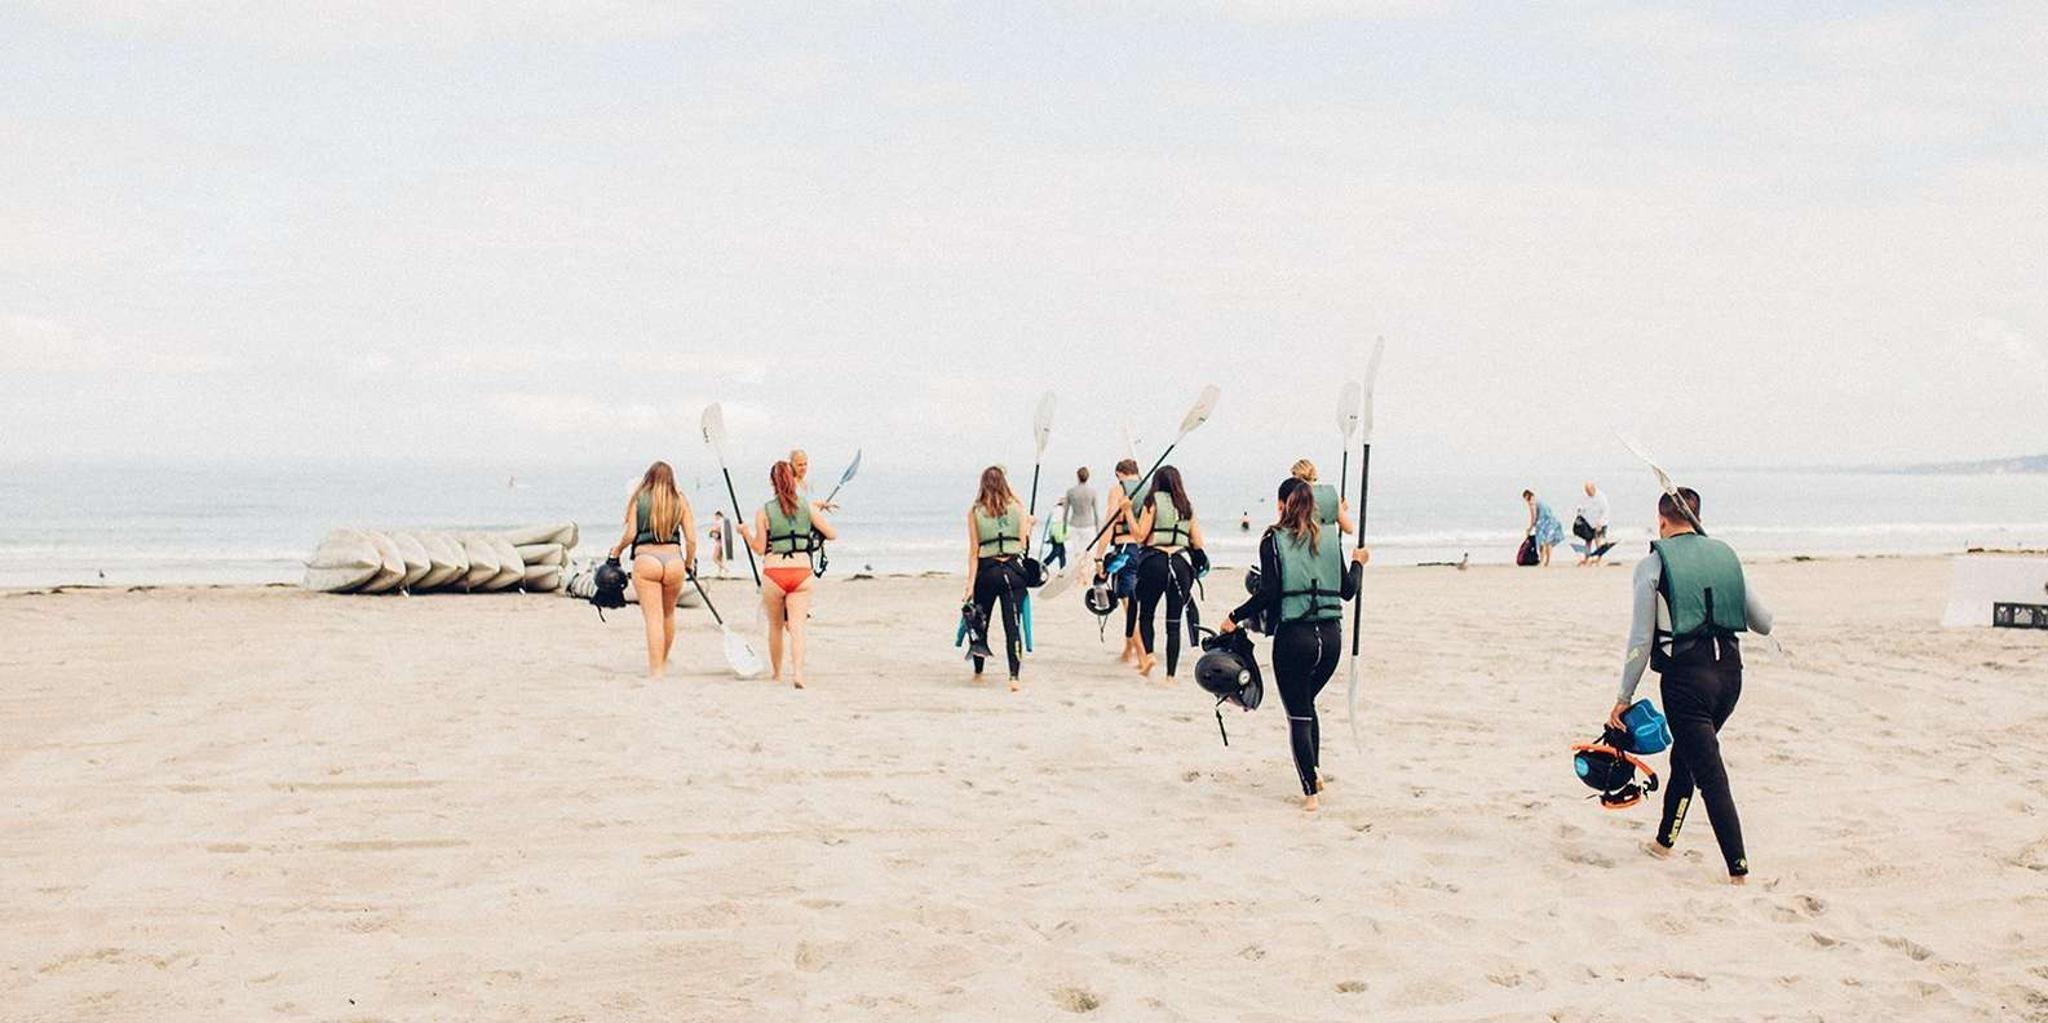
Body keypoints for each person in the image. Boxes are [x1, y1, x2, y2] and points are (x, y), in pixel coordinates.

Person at [1607, 488, 1773, 884]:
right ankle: (1664, 842)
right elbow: (1764, 622)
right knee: (1688, 757)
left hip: (1687, 682)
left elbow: (1640, 640)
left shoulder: (1652, 565)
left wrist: (1623, 698)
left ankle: (1739, 870)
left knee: (1709, 772)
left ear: (1661, 521)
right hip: (1730, 678)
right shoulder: (1725, 557)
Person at [1220, 477, 1370, 811]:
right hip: (1331, 640)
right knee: (1307, 704)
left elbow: (1268, 593)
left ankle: (1310, 795)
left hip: (1295, 638)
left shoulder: (1273, 538)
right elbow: (1348, 590)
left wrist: (1234, 616)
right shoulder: (1330, 538)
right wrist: (1359, 561)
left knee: (1298, 715)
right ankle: (1314, 773)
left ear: (1282, 504)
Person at [740, 460, 838, 688]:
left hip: (774, 573)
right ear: (793, 479)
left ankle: (776, 674)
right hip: (801, 572)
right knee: (797, 627)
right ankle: (798, 675)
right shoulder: (807, 507)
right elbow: (832, 534)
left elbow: (759, 549)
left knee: (775, 627)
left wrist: (745, 533)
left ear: (772, 482)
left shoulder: (764, 511)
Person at [606, 461, 698, 678]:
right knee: (668, 615)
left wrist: (617, 550)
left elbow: (630, 534)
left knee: (653, 619)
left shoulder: (639, 499)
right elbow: (691, 539)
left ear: (648, 478)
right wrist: (688, 562)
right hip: (674, 561)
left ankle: (656, 671)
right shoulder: (680, 500)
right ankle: (663, 662)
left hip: (647, 559)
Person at [1126, 465, 1206, 679]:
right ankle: (1170, 675)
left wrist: (1127, 512)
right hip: (1180, 564)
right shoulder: (1186, 506)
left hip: (1155, 561)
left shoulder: (1152, 502)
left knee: (1146, 614)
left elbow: (1140, 535)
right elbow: (1198, 542)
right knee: (1174, 622)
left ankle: (1149, 655)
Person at [962, 466, 1034, 691]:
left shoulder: (974, 511)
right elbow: (1022, 543)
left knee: (980, 622)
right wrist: (1029, 524)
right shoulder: (1017, 508)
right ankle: (1014, 677)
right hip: (1013, 573)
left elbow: (974, 552)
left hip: (987, 572)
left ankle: (978, 671)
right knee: (1012, 625)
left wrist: (969, 586)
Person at [1093, 459, 1147, 665]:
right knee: (1137, 604)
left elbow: (1109, 524)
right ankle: (1129, 649)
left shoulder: (1118, 490)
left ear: (1119, 474)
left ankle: (1143, 656)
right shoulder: (1149, 489)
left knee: (1128, 604)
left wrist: (1099, 556)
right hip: (1147, 552)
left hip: (1126, 549)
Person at [1289, 459, 1356, 536]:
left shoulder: (1293, 498)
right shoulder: (1330, 497)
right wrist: (1339, 509)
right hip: (1326, 546)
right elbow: (1349, 529)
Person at [1523, 489, 1565, 566]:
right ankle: (1546, 561)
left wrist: (1530, 528)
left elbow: (1534, 517)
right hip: (1552, 522)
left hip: (1543, 524)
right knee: (1548, 542)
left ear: (1527, 497)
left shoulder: (1532, 503)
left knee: (1542, 543)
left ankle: (1542, 561)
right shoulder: (1539, 501)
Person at [1574, 480, 1612, 566]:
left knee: (1598, 541)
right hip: (1588, 522)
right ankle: (1586, 558)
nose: (1587, 493)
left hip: (1600, 523)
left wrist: (1600, 523)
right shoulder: (1584, 496)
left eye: (1589, 491)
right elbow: (1580, 507)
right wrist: (1579, 516)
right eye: (1586, 491)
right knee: (1588, 541)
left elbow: (1605, 511)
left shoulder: (1601, 497)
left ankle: (1597, 559)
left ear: (1593, 488)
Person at [1062, 467, 1100, 542]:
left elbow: (1065, 512)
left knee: (1075, 552)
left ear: (1078, 476)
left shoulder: (1070, 491)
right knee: (1088, 552)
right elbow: (1096, 513)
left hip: (1074, 525)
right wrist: (1097, 530)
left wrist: (1064, 528)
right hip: (1088, 525)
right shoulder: (1092, 492)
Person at [1043, 501, 1070, 571]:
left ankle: (1062, 569)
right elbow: (1059, 523)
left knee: (1062, 553)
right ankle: (1043, 565)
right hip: (1057, 535)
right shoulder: (1059, 510)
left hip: (1057, 534)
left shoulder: (1057, 509)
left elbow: (1054, 524)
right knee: (1056, 552)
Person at [708, 510, 730, 578]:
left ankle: (725, 569)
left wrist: (712, 532)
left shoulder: (719, 525)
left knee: (714, 558)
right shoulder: (721, 524)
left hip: (718, 544)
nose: (716, 517)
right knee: (720, 559)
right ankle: (720, 573)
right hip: (721, 544)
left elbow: (717, 535)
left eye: (717, 516)